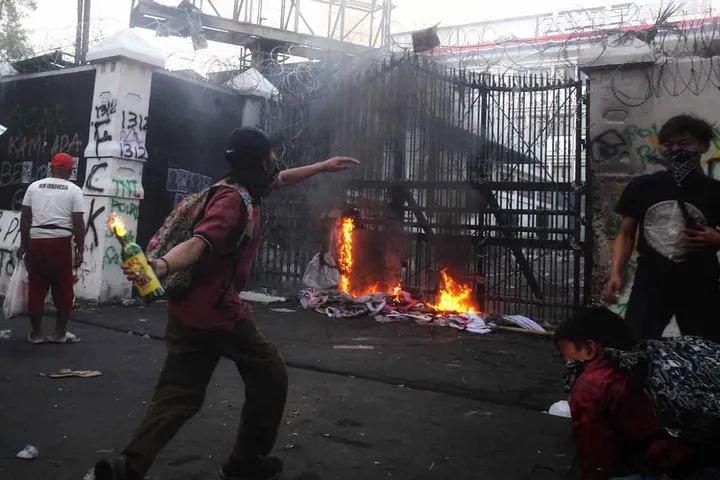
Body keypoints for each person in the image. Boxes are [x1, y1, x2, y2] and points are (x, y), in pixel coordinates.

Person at [94, 127, 358, 480]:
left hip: (188, 312)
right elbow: (199, 243)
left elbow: (282, 178)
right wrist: (163, 265)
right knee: (270, 374)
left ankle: (128, 466)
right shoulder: (232, 203)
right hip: (219, 314)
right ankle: (245, 463)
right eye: (270, 154)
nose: (275, 160)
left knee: (178, 394)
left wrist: (323, 166)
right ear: (259, 160)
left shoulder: (243, 188)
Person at [604, 115, 720, 341]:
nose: (675, 150)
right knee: (635, 345)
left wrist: (716, 238)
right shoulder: (642, 186)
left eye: (684, 143)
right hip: (651, 283)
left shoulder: (715, 191)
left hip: (701, 284)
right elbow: (626, 235)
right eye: (668, 144)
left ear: (702, 146)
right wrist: (616, 272)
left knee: (706, 349)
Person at [556, 307, 696, 480]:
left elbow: (595, 457)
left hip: (672, 464)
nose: (566, 361)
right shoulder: (646, 354)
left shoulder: (591, 384)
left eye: (565, 353)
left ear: (590, 349)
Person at [18, 152, 84, 344]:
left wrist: (23, 245)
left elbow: (25, 218)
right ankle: (59, 334)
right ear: (70, 171)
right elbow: (78, 223)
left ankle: (36, 334)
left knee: (36, 287)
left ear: (51, 168)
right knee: (63, 288)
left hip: (37, 241)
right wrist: (80, 250)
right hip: (61, 242)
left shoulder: (34, 186)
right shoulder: (74, 190)